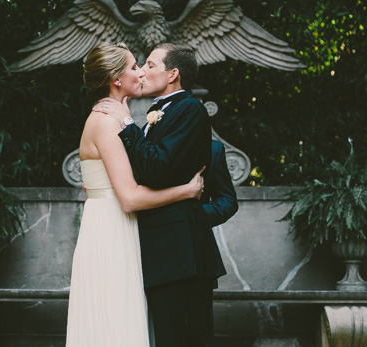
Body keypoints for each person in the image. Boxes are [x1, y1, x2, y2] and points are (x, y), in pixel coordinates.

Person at [93, 43, 238, 347]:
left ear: (173, 74)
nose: (142, 72)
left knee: (185, 337)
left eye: (149, 65)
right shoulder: (157, 115)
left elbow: (156, 168)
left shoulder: (188, 108)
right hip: (162, 252)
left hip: (180, 254)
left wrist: (126, 122)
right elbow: (146, 170)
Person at [65, 43, 205, 347]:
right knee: (113, 320)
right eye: (133, 67)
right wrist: (186, 191)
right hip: (111, 229)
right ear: (117, 78)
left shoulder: (122, 117)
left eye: (144, 65)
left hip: (122, 225)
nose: (139, 72)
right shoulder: (105, 121)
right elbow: (128, 197)